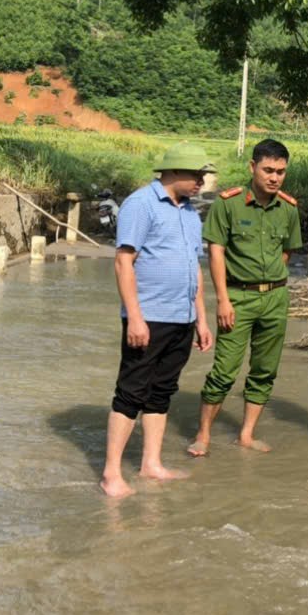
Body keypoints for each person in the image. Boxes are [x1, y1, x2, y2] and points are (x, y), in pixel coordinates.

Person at [100, 142, 215, 497]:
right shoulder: (141, 204)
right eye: (196, 175)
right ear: (173, 172)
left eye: (202, 176)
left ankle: (151, 463)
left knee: (161, 392)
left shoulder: (190, 213)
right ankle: (111, 474)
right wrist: (134, 317)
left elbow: (194, 267)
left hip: (181, 317)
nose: (200, 182)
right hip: (148, 316)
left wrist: (201, 318)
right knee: (131, 391)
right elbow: (124, 262)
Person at [188, 139, 303, 456]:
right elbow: (215, 252)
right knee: (224, 370)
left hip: (276, 298)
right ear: (252, 167)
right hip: (237, 298)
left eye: (280, 171)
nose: (274, 177)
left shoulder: (289, 208)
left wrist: (269, 285)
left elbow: (287, 252)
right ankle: (204, 435)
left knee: (265, 370)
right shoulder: (229, 203)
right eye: (268, 170)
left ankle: (247, 434)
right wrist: (223, 299)